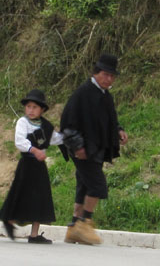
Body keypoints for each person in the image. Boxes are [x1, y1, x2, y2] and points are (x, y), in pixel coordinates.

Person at [60, 53, 129, 245]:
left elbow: (108, 120)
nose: (109, 79)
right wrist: (77, 146)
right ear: (96, 72)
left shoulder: (105, 95)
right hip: (83, 149)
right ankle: (85, 223)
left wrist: (118, 130)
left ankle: (74, 227)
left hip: (96, 149)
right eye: (105, 74)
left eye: (112, 76)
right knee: (98, 185)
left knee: (84, 184)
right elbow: (67, 122)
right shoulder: (83, 93)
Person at [0, 89, 64, 244]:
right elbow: (19, 141)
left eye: (35, 107)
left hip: (39, 167)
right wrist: (35, 150)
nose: (31, 110)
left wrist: (73, 136)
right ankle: (10, 221)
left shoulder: (46, 126)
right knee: (22, 195)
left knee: (40, 198)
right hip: (26, 165)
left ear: (42, 109)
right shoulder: (23, 122)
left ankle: (34, 234)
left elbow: (56, 139)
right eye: (28, 106)